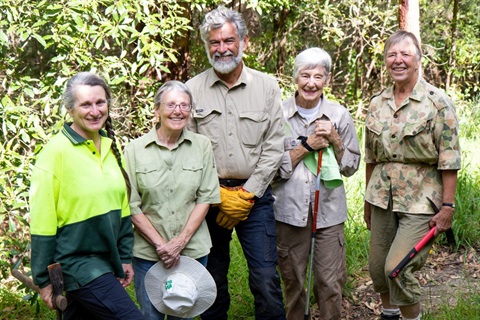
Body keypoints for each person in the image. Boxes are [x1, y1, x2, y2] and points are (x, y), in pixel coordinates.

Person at [185, 5, 286, 320]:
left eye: (228, 40)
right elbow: (187, 150)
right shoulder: (191, 90)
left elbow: (274, 146)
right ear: (206, 46)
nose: (222, 48)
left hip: (255, 200)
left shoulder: (267, 87)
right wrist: (217, 195)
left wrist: (247, 194)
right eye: (214, 42)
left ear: (244, 42)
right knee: (211, 280)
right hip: (209, 202)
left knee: (266, 279)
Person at [29, 72, 145, 319]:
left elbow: (122, 208)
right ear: (70, 110)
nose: (95, 111)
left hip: (105, 260)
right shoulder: (54, 154)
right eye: (86, 104)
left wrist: (124, 256)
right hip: (77, 265)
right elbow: (42, 222)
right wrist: (43, 279)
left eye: (100, 102)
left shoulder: (110, 147)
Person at [364, 31, 461, 320]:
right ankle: (390, 315)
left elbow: (450, 158)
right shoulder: (377, 102)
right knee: (378, 269)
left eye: (405, 54)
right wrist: (367, 202)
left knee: (397, 268)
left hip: (421, 199)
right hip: (381, 197)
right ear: (385, 61)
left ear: (418, 60)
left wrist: (448, 207)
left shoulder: (437, 102)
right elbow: (371, 156)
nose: (398, 60)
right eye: (392, 55)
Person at [272, 47, 361, 320]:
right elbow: (270, 169)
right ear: (295, 78)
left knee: (330, 284)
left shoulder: (339, 114)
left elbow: (351, 166)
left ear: (327, 80)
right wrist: (307, 147)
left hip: (328, 216)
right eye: (305, 75)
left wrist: (335, 140)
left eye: (318, 76)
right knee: (294, 284)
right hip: (289, 214)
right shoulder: (278, 114)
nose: (311, 82)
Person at [124, 80, 220, 320]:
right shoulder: (134, 150)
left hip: (191, 250)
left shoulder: (202, 145)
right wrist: (161, 245)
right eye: (171, 105)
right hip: (148, 253)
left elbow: (206, 197)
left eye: (184, 105)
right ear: (157, 110)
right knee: (150, 316)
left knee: (183, 313)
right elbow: (131, 204)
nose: (178, 111)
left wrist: (179, 242)